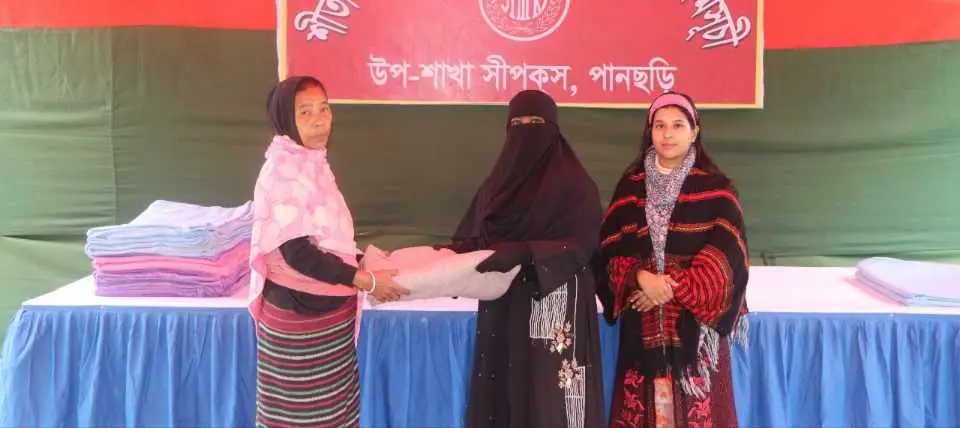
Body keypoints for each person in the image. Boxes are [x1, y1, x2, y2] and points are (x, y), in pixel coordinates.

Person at [247, 76, 409, 428]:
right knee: (297, 418)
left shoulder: (312, 164)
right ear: (286, 119)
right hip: (299, 326)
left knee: (335, 415)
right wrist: (365, 280)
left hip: (331, 321)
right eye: (305, 112)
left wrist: (360, 264)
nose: (320, 120)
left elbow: (327, 238)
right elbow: (298, 254)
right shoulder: (282, 173)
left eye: (324, 109)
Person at [440, 89, 606, 428]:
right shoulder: (497, 184)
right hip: (503, 304)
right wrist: (446, 258)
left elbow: (583, 245)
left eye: (535, 122)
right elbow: (476, 238)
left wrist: (528, 252)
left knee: (548, 403)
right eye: (516, 124)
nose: (525, 130)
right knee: (504, 397)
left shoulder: (575, 185)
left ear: (553, 128)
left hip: (555, 303)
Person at [596, 91, 749, 427]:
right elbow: (608, 251)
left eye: (678, 125)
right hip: (642, 325)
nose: (668, 134)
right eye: (660, 125)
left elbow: (728, 259)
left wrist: (668, 288)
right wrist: (640, 278)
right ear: (649, 131)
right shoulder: (629, 189)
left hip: (695, 329)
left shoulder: (718, 191)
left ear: (695, 132)